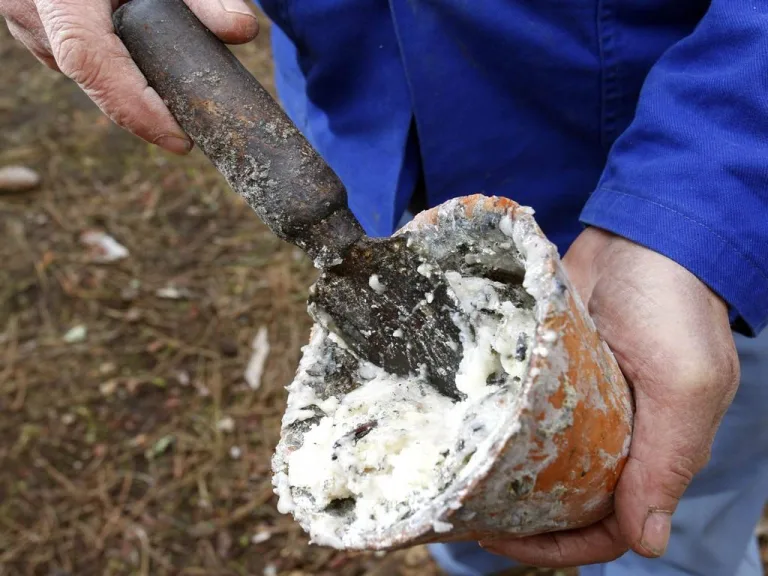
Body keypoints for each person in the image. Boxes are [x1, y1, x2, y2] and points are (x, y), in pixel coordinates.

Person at [3, 0, 767, 574]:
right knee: (480, 535)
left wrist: (700, 202)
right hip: (374, 138)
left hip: (683, 198)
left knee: (680, 516)